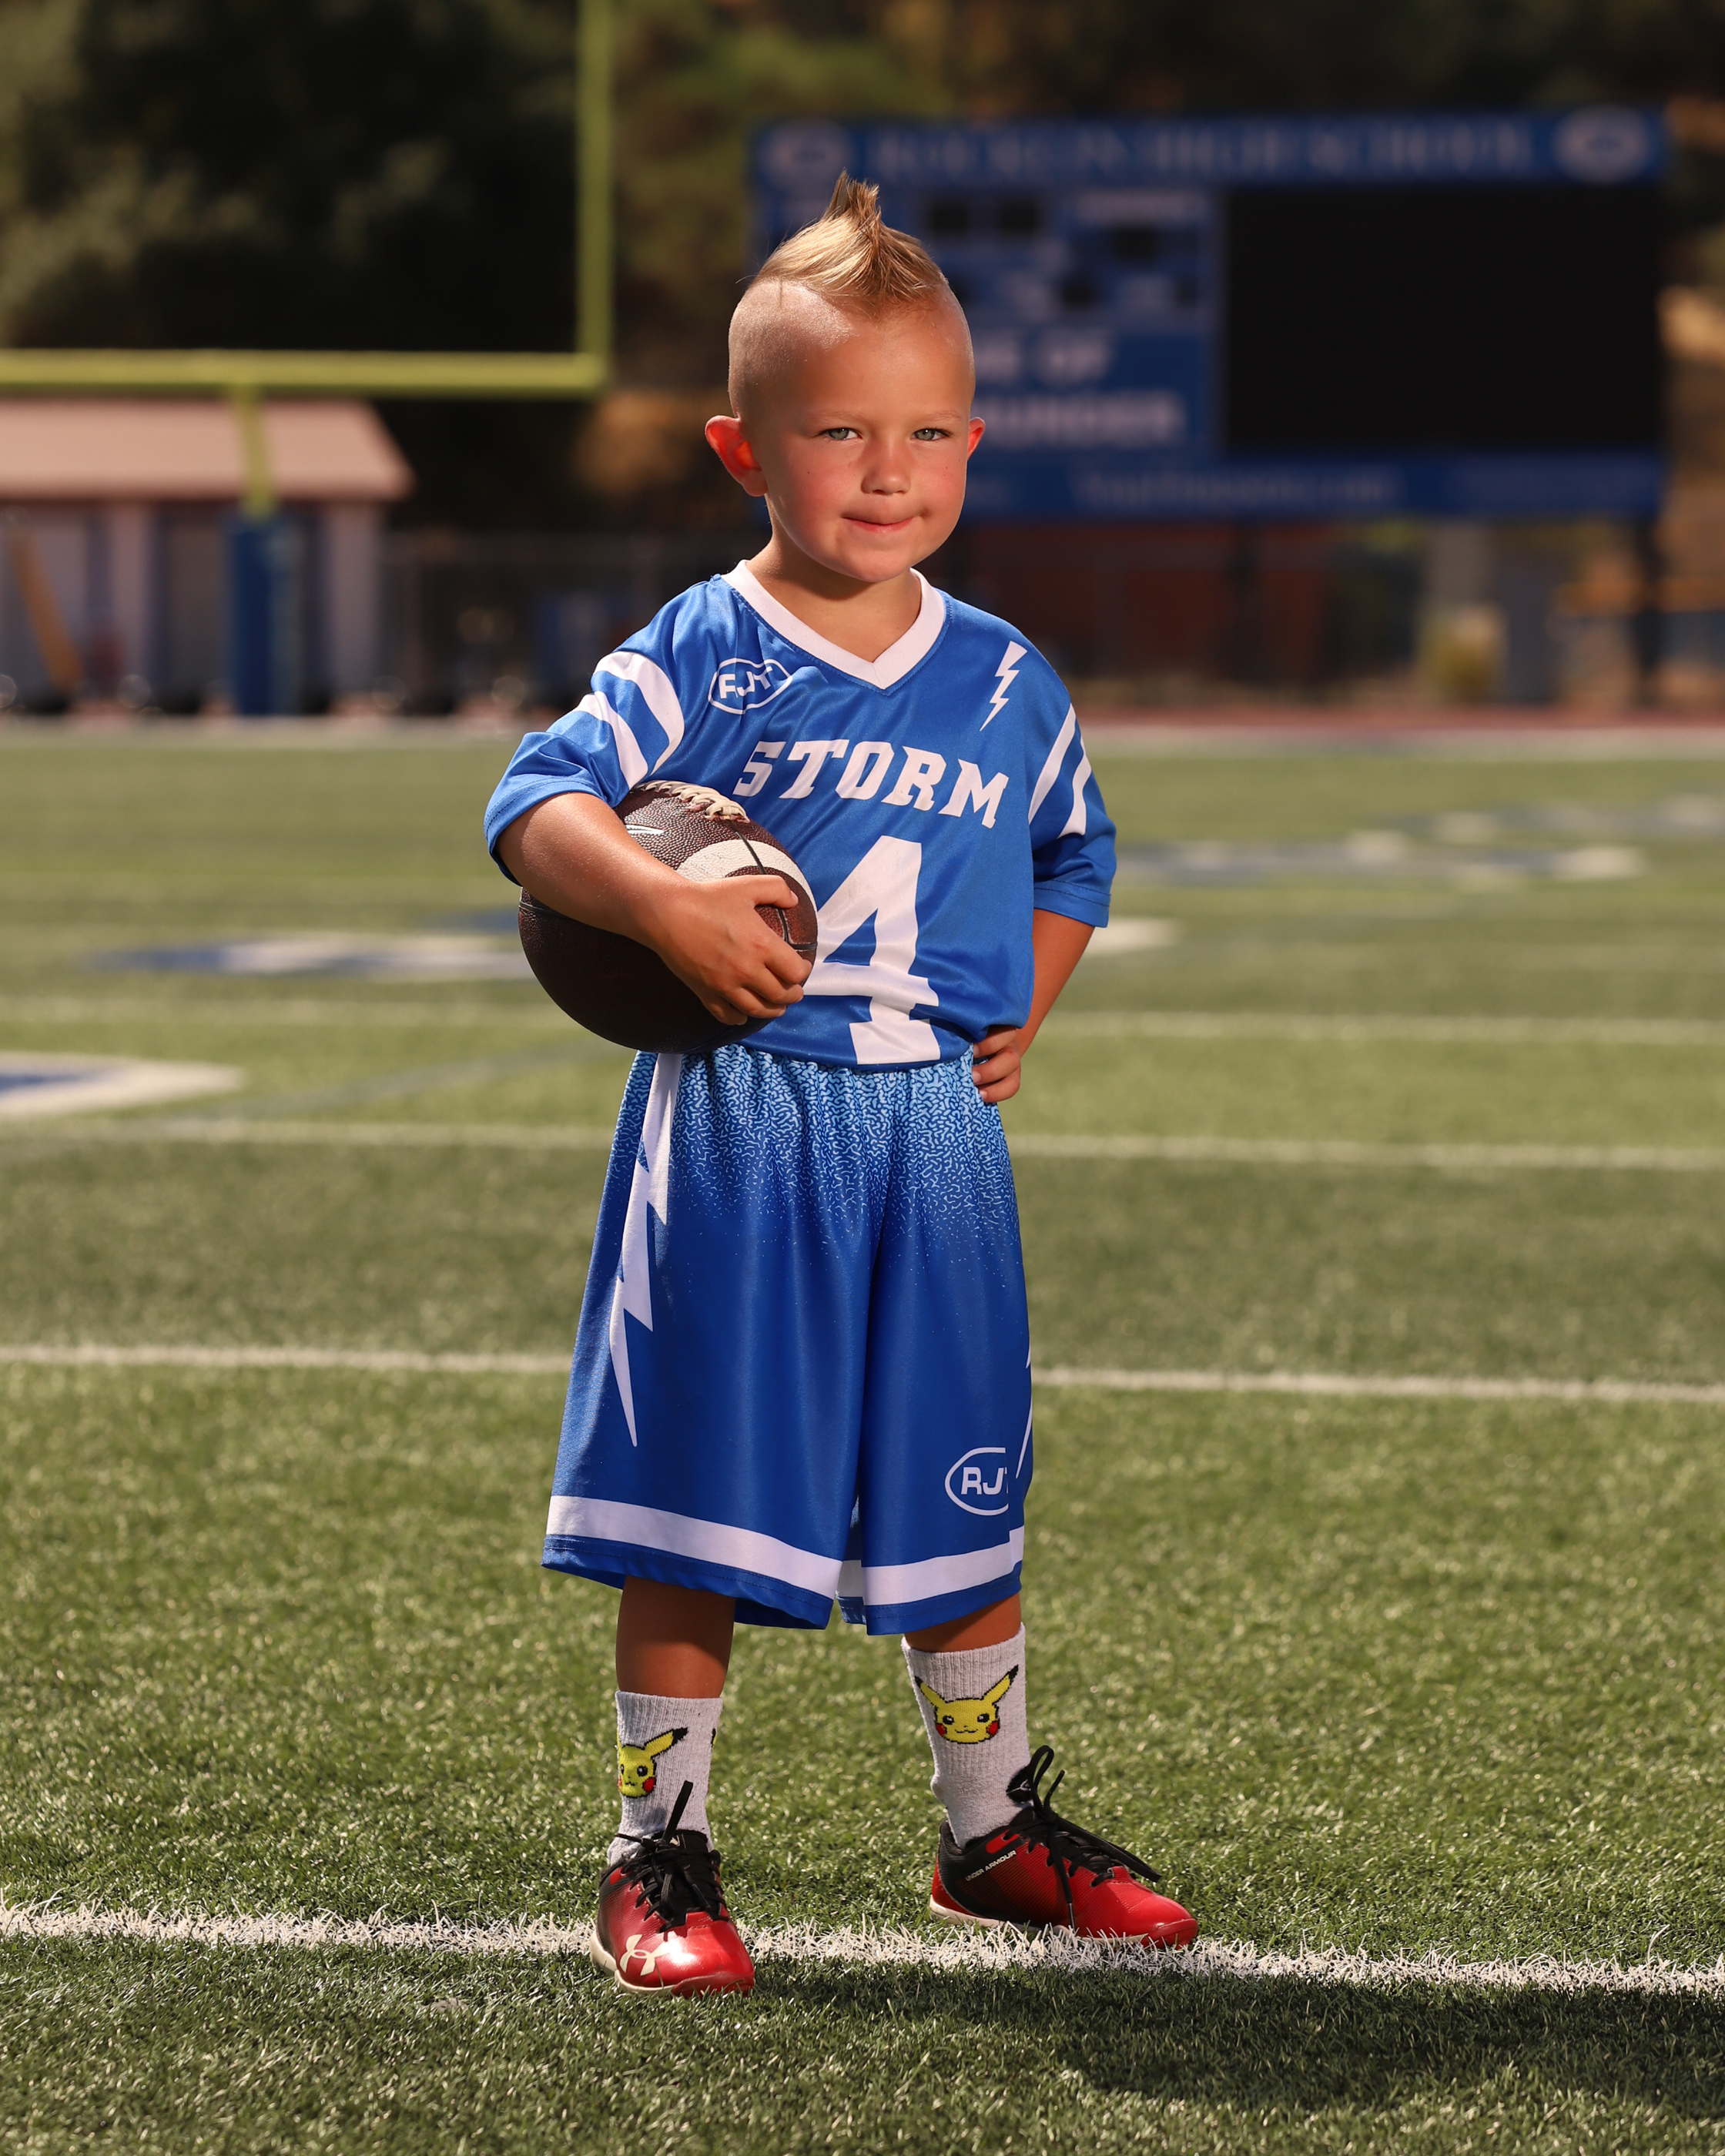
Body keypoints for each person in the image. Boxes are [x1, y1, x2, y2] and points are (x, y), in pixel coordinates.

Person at [485, 176, 1198, 1997]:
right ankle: (657, 1850)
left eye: (928, 431)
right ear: (743, 448)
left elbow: (1074, 852)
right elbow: (532, 802)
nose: (889, 472)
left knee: (963, 1494)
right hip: (748, 1118)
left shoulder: (1004, 675)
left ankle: (992, 1828)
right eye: (839, 432)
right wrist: (658, 902)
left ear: (974, 442)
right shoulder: (706, 645)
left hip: (937, 1131)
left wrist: (1029, 1003)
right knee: (697, 1505)